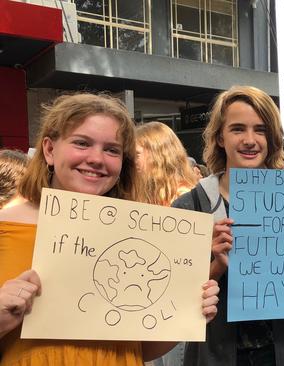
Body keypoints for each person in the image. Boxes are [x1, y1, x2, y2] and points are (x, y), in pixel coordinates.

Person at [0, 93, 219, 366]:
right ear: (49, 150)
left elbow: (140, 350)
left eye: (112, 150)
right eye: (82, 143)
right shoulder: (6, 227)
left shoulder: (142, 235)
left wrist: (187, 311)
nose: (96, 159)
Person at [172, 85, 284, 366]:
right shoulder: (191, 207)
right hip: (216, 355)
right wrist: (215, 264)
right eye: (238, 129)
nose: (250, 140)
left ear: (272, 139)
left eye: (260, 130)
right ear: (220, 138)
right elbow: (170, 302)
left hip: (283, 353)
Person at [134, 122, 199, 366]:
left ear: (158, 154)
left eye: (137, 155)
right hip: (151, 310)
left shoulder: (187, 200)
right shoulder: (149, 198)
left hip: (176, 313)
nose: (131, 162)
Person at [135, 121, 198, 206]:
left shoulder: (185, 197)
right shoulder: (141, 193)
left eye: (137, 154)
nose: (131, 160)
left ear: (157, 156)